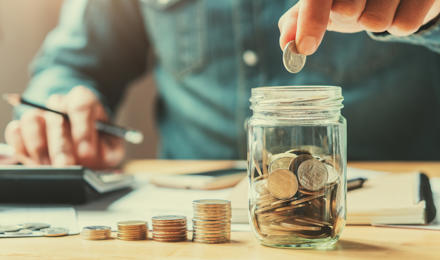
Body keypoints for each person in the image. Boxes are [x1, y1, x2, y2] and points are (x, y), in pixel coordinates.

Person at [4, 0, 440, 169]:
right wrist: (57, 107)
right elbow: (73, 64)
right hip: (190, 220)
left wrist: (431, 13)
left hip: (393, 209)